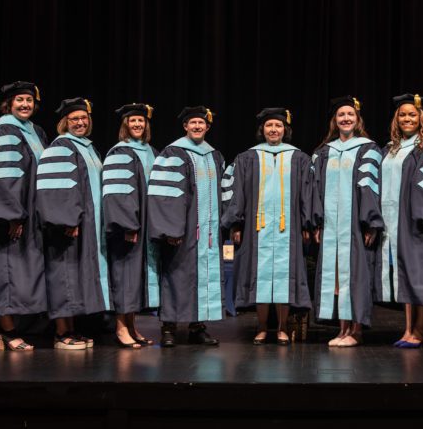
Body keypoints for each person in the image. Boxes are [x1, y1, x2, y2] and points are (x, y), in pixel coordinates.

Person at [221, 108, 315, 344]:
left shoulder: (299, 158)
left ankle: (282, 328)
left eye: (278, 126)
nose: (274, 130)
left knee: (284, 278)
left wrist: (307, 222)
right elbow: (237, 193)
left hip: (288, 229)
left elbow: (308, 193)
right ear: (262, 130)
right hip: (257, 229)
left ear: (286, 130)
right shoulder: (246, 158)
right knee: (261, 278)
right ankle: (262, 327)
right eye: (269, 126)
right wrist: (236, 224)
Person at [147, 106, 226, 347]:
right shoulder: (174, 152)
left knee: (204, 278)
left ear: (207, 127)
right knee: (175, 275)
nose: (197, 127)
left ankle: (198, 326)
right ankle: (169, 327)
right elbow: (165, 195)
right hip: (181, 231)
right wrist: (171, 229)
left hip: (209, 234)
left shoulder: (215, 156)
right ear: (185, 126)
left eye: (201, 124)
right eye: (193, 123)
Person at [377, 93, 423, 349]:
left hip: (417, 222)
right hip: (392, 222)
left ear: (421, 118)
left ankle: (421, 328)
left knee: (420, 274)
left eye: (412, 114)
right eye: (402, 114)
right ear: (396, 119)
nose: (407, 118)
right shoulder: (389, 149)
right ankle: (407, 329)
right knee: (404, 274)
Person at [0, 81, 48, 351]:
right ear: (8, 104)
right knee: (5, 271)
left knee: (19, 272)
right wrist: (12, 215)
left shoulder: (34, 131)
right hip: (9, 218)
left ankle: (11, 328)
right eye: (19, 100)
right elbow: (2, 176)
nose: (25, 105)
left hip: (29, 215)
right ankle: (6, 332)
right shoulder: (5, 130)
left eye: (29, 100)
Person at [36, 97, 108, 350]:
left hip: (85, 224)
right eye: (74, 118)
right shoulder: (61, 147)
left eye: (83, 118)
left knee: (74, 276)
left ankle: (72, 329)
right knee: (63, 275)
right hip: (68, 225)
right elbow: (55, 188)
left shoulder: (86, 147)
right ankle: (61, 333)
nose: (80, 122)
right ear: (65, 122)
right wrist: (66, 219)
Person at [311, 96, 384, 347]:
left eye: (350, 115)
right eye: (341, 115)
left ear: (358, 119)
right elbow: (316, 190)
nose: (346, 118)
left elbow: (370, 186)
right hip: (331, 225)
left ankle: (356, 330)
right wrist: (317, 222)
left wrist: (371, 222)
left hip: (355, 224)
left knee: (355, 275)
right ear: (335, 120)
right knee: (336, 278)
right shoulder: (324, 152)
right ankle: (342, 329)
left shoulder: (368, 149)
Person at [102, 103, 161, 349]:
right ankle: (120, 327)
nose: (137, 124)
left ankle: (132, 325)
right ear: (125, 124)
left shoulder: (151, 151)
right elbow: (118, 193)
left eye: (141, 121)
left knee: (135, 278)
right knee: (124, 275)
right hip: (127, 227)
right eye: (132, 121)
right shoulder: (120, 152)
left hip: (144, 226)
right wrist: (127, 224)